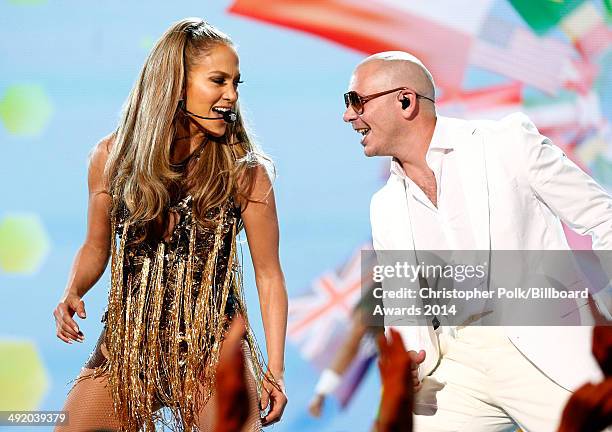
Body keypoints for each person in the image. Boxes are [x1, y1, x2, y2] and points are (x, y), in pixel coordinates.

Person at [342, 51, 612, 431]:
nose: (348, 116)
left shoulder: (506, 143)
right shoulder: (384, 204)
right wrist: (407, 367)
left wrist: (605, 313)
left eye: (356, 101)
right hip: (455, 362)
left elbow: (603, 218)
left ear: (405, 100)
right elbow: (402, 303)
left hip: (549, 344)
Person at [52, 18, 288, 432]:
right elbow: (95, 246)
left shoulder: (245, 173)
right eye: (218, 81)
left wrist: (276, 370)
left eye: (236, 83)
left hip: (214, 352)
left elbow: (269, 275)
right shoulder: (112, 158)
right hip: (126, 349)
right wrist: (73, 289)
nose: (231, 96)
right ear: (177, 82)